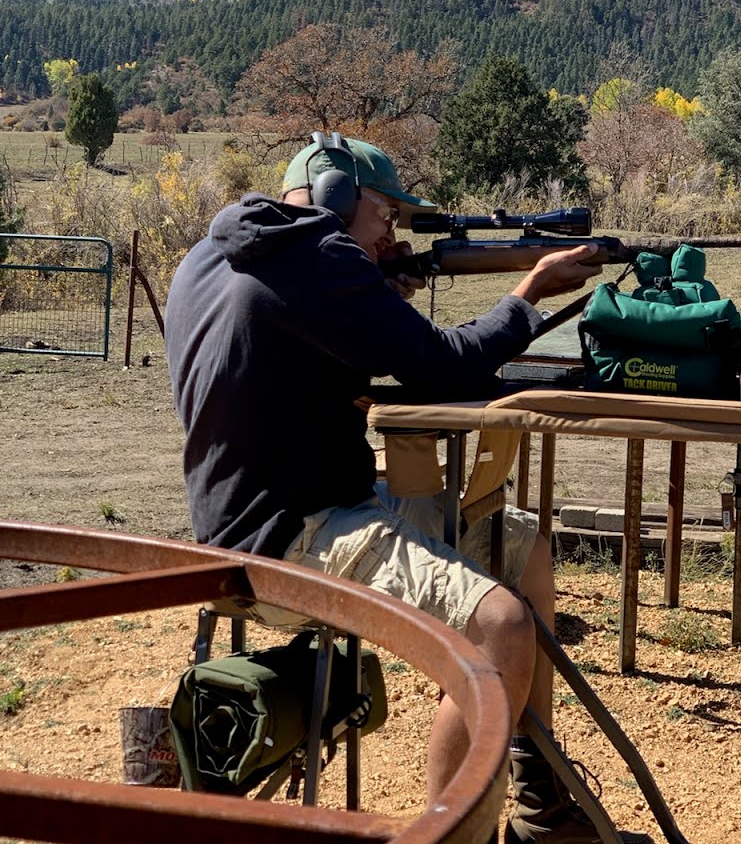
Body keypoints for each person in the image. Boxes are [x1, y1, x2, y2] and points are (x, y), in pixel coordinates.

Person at [165, 133, 601, 843]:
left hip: (250, 520)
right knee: (501, 623)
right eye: (385, 213)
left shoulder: (214, 254)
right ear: (339, 197)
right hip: (294, 537)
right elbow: (445, 367)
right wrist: (527, 295)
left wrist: (374, 291)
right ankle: (450, 834)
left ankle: (536, 799)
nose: (393, 229)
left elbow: (289, 351)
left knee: (523, 545)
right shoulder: (317, 254)